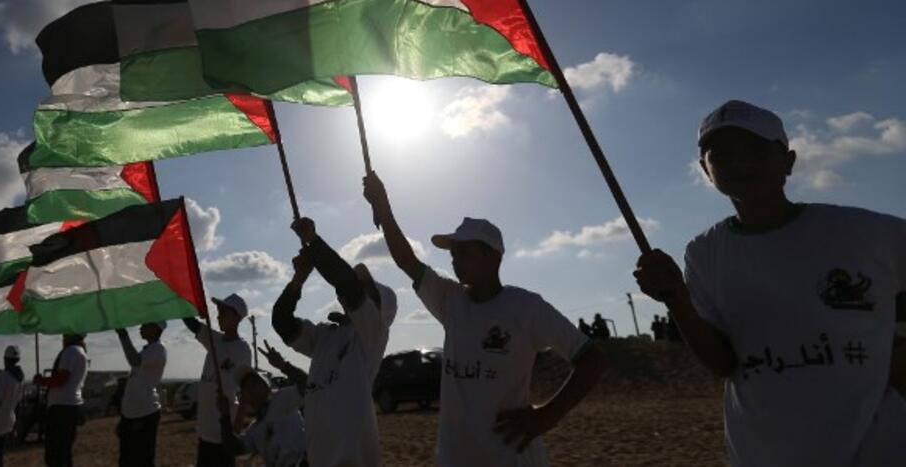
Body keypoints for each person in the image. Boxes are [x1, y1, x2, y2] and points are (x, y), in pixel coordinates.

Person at [634, 99, 906, 466]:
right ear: (705, 169)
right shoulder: (704, 252)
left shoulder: (868, 232)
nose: (740, 163)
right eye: (722, 154)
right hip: (762, 450)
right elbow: (724, 362)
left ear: (788, 161)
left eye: (756, 149)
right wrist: (676, 299)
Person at [363, 171, 607, 466]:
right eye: (453, 252)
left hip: (511, 458)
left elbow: (591, 359)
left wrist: (547, 416)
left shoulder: (526, 307)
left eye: (464, 252)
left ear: (494, 257)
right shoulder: (450, 300)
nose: (454, 259)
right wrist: (383, 206)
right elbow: (407, 260)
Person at [271, 216, 397, 466]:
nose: (358, 287)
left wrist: (313, 241)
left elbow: (347, 284)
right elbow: (282, 322)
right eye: (360, 284)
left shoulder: (372, 335)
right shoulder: (325, 336)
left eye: (366, 288)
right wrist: (299, 279)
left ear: (379, 311)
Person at [183, 294, 252, 467]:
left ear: (237, 317)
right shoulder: (214, 339)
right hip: (205, 429)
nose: (218, 315)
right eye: (218, 311)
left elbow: (245, 390)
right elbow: (192, 324)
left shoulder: (242, 349)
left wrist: (236, 428)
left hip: (224, 431)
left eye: (224, 312)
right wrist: (179, 299)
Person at [217, 356, 307, 467]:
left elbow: (308, 386)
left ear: (267, 388)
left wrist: (285, 366)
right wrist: (225, 416)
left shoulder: (281, 399)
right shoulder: (254, 430)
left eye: (254, 384)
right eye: (244, 387)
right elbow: (234, 448)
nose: (249, 389)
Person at [115, 322, 167, 467]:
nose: (140, 328)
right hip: (133, 414)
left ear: (155, 329)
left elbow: (134, 361)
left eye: (145, 325)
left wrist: (123, 335)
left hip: (144, 414)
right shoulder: (149, 350)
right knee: (127, 460)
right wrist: (124, 417)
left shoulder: (158, 348)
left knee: (141, 460)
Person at [34, 334, 88, 467]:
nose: (63, 337)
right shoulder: (80, 351)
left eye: (65, 334)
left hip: (62, 409)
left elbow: (61, 379)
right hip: (69, 407)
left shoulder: (70, 351)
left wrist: (41, 381)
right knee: (63, 454)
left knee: (55, 455)